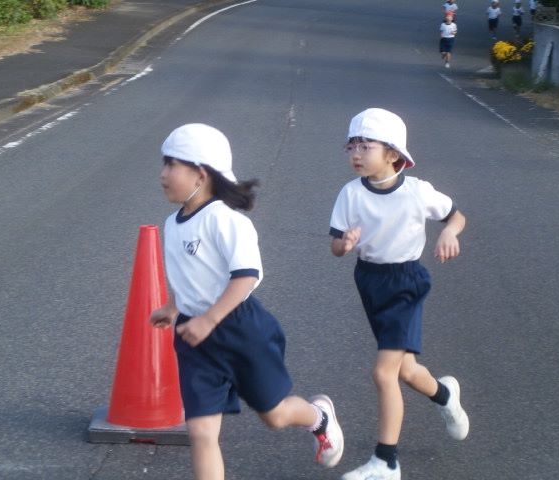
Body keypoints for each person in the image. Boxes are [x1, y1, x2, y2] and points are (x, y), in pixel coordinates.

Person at [150, 123, 344, 480]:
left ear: (201, 174)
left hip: (241, 330)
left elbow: (246, 276)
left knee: (275, 415)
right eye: (164, 164)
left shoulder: (226, 220)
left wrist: (210, 318)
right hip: (195, 339)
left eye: (171, 164)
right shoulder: (172, 224)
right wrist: (175, 307)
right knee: (201, 433)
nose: (162, 174)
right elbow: (193, 276)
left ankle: (319, 418)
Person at [328, 109, 470, 480]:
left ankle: (386, 461)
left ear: (393, 154)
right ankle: (445, 396)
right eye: (352, 146)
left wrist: (449, 232)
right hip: (369, 280)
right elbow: (335, 245)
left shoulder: (417, 191)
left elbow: (456, 216)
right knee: (405, 369)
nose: (356, 153)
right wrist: (345, 244)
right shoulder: (350, 194)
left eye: (366, 146)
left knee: (383, 373)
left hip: (406, 283)